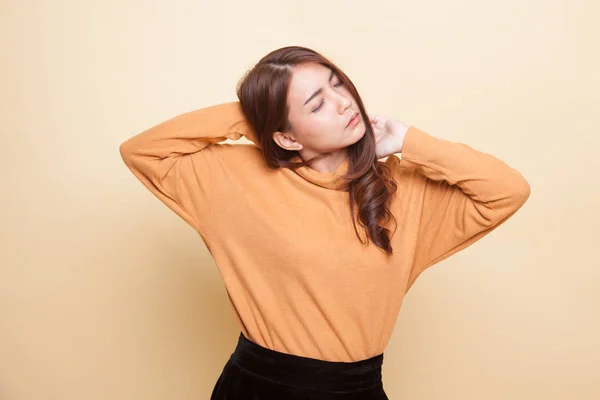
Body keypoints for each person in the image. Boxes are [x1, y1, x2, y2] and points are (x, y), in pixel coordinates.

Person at [119, 45, 531, 399]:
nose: (342, 102)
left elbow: (507, 190)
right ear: (287, 137)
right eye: (316, 104)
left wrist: (409, 140)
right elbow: (142, 151)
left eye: (338, 84)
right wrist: (255, 116)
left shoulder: (403, 189)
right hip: (260, 387)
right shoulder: (234, 179)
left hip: (358, 389)